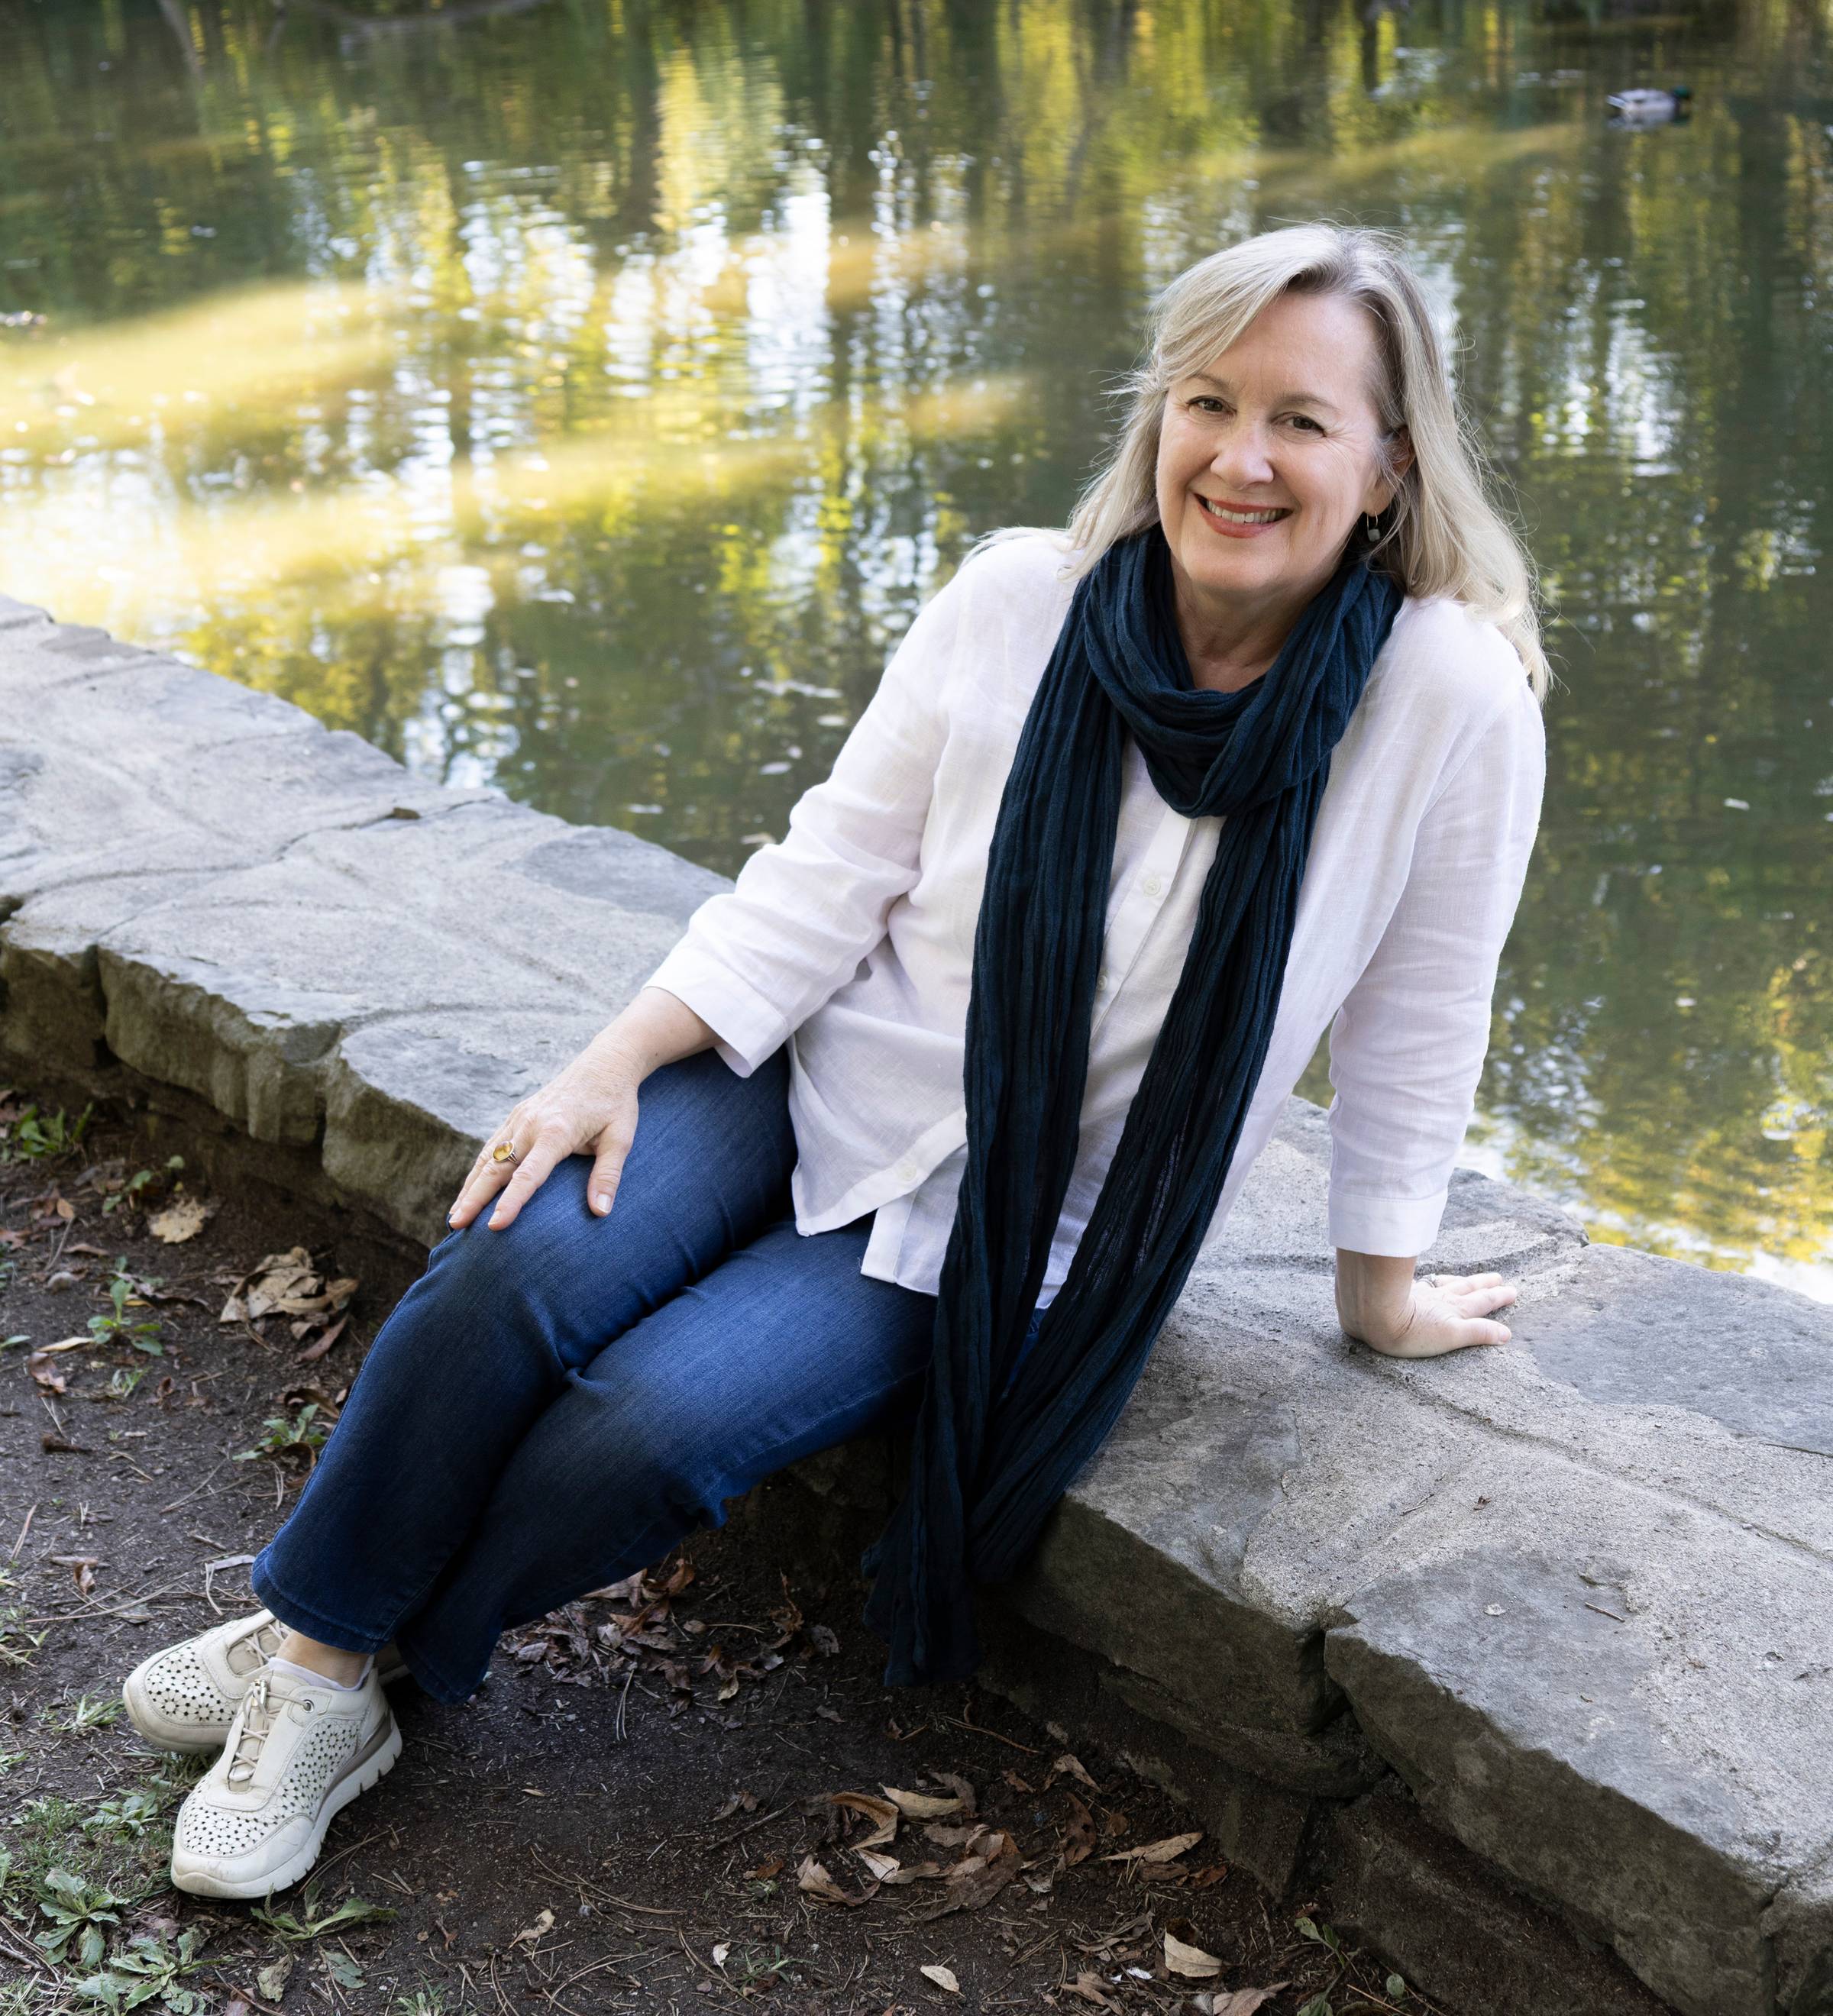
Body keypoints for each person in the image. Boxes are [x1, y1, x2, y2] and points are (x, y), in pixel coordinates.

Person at [121, 221, 1547, 1901]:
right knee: (511, 1268)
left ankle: (332, 1647)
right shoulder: (1022, 601)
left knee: (652, 1430)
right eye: (1205, 400)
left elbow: (1423, 1010)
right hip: (804, 1071)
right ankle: (323, 1664)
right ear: (1157, 418)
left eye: (1302, 421)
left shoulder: (1450, 701)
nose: (1240, 457)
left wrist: (1380, 1289)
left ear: (1388, 465)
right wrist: (609, 1064)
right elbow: (826, 878)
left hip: (1017, 1219)